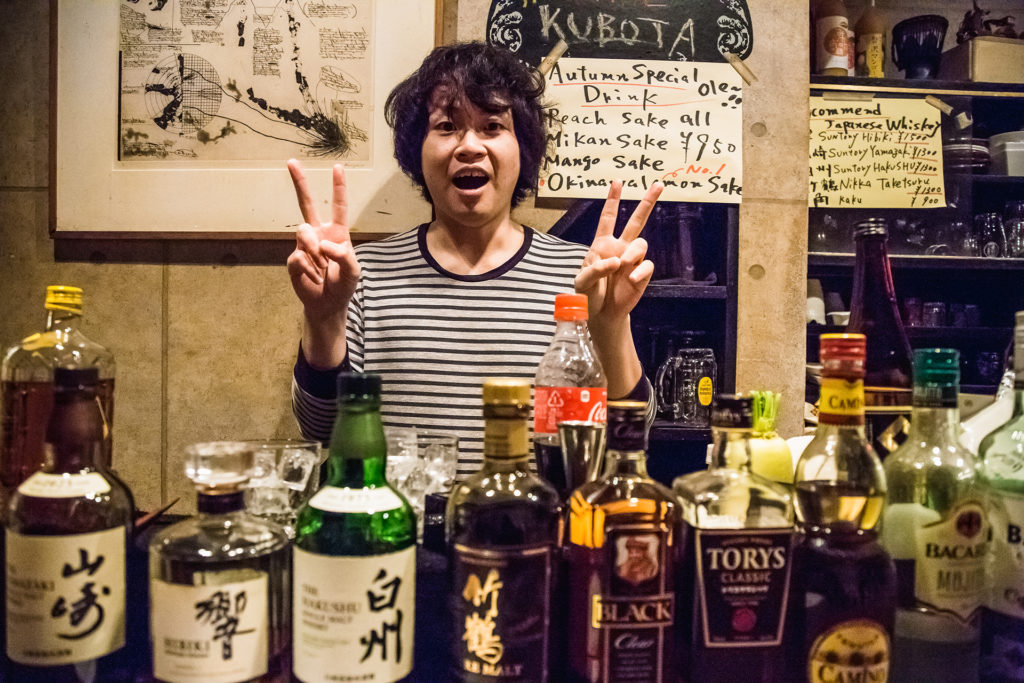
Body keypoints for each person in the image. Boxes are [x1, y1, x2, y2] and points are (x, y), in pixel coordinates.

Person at [288, 42, 663, 477]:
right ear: (418, 152)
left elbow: (626, 442)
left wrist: (609, 326)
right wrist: (324, 317)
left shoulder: (583, 275)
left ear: (522, 149)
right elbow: (320, 433)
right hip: (398, 535)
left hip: (532, 534)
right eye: (446, 126)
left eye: (492, 126)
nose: (469, 145)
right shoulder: (358, 274)